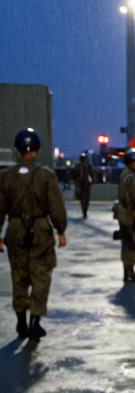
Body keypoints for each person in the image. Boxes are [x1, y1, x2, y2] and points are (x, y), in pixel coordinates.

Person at [0, 128, 68, 340]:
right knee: (40, 275)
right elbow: (56, 207)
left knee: (19, 275)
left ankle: (20, 322)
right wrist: (61, 230)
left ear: (18, 150)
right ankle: (35, 322)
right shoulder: (46, 175)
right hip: (40, 230)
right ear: (36, 149)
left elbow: (0, 208)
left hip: (15, 229)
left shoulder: (5, 176)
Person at [116, 147, 135, 283]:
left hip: (125, 214)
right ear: (131, 162)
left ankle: (127, 272)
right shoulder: (129, 177)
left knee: (128, 244)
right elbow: (133, 195)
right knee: (133, 244)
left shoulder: (126, 174)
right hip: (129, 215)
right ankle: (130, 273)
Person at [72, 151, 94, 218]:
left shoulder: (84, 166)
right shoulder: (81, 166)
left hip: (85, 184)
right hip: (82, 184)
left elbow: (92, 174)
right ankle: (84, 211)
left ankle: (84, 211)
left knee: (85, 198)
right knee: (83, 198)